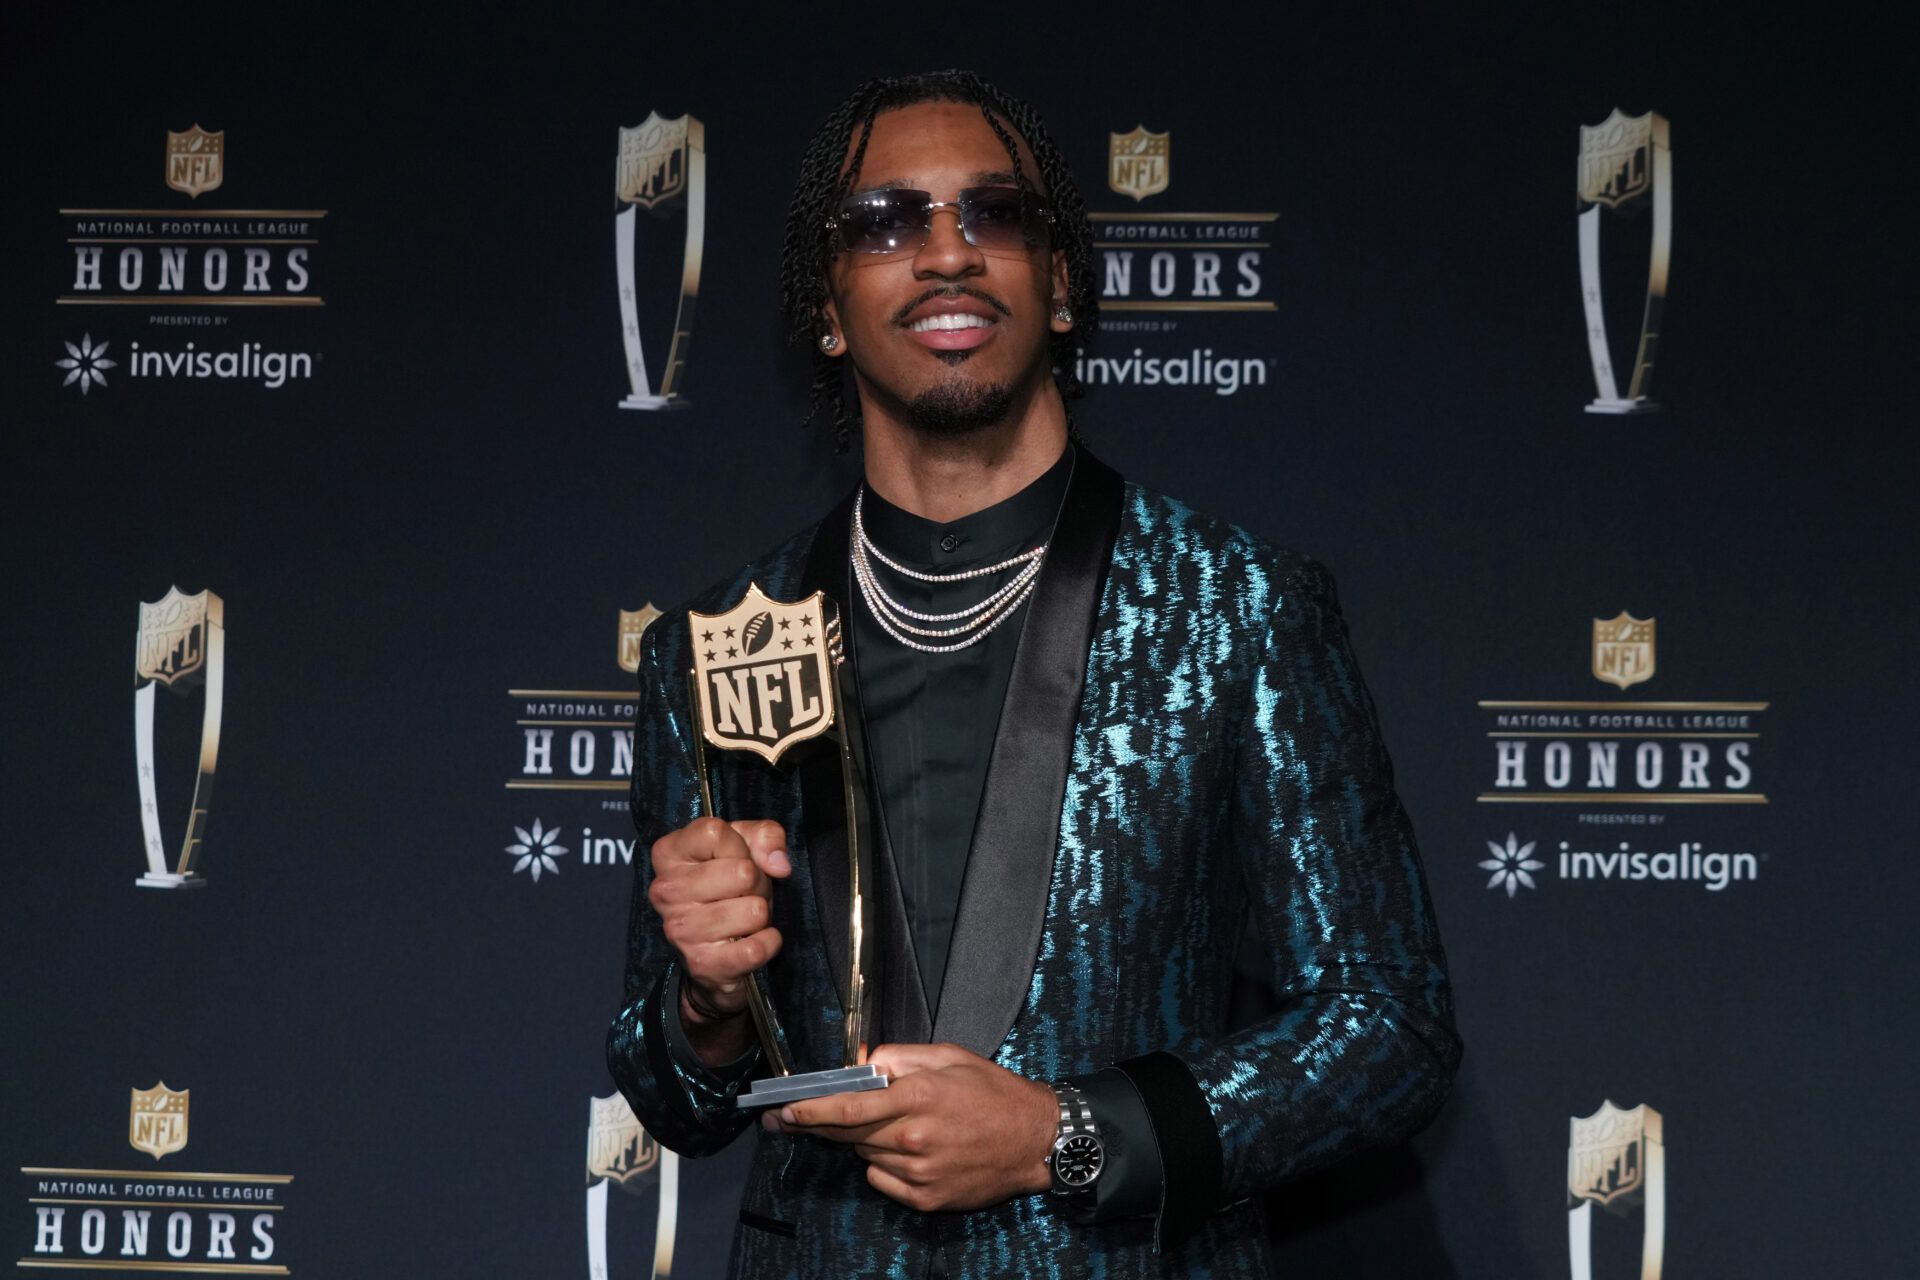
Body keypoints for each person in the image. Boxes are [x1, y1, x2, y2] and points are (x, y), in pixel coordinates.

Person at [607, 69, 1460, 1279]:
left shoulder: (1239, 604)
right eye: (887, 222)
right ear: (829, 309)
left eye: (995, 214)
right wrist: (704, 1002)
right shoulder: (718, 637)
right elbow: (673, 1097)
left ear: (1060, 285)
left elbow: (1392, 1027)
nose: (947, 253)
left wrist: (1062, 1136)